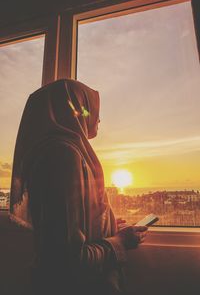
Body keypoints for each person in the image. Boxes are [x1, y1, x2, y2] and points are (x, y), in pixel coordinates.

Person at [9, 79, 147, 295]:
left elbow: (69, 226)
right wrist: (119, 242)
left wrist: (106, 226)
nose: (98, 118)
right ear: (70, 109)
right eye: (88, 106)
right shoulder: (62, 155)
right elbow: (66, 261)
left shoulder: (61, 152)